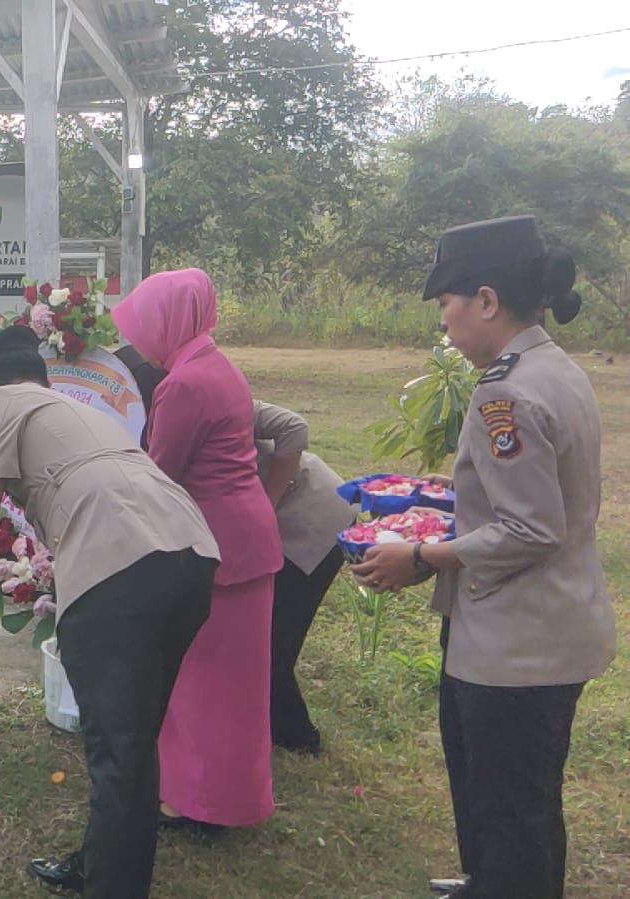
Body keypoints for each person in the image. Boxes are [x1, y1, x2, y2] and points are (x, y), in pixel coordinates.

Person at [351, 216, 615, 899]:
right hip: (550, 627)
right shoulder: (550, 365)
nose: (445, 324)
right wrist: (457, 493)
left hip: (515, 644)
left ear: (486, 301)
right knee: (518, 800)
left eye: (446, 305)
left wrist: (422, 555)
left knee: (509, 808)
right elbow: (537, 490)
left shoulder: (505, 390)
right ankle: (490, 881)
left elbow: (530, 529)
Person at [0, 325, 219, 898]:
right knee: (133, 744)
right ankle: (100, 866)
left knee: (118, 750)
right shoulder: (69, 408)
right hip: (191, 552)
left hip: (120, 568)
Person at [111, 268, 284, 833]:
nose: (138, 341)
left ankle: (206, 806)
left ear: (169, 322)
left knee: (209, 686)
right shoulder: (216, 366)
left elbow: (159, 473)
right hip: (245, 539)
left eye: (144, 327)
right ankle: (217, 798)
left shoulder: (183, 385)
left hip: (218, 548)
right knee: (233, 686)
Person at [253, 400, 355, 754]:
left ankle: (297, 737)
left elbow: (294, 428)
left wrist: (265, 506)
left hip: (312, 516)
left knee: (271, 639)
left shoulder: (202, 393)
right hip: (281, 525)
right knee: (262, 637)